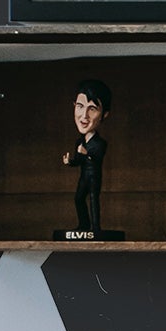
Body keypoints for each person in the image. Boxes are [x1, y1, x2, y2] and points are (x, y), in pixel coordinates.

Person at [61, 80, 111, 240]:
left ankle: (96, 228)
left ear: (104, 114)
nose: (84, 115)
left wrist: (85, 154)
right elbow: (79, 160)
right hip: (84, 176)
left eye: (92, 109)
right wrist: (71, 162)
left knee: (93, 200)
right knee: (78, 198)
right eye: (80, 106)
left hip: (94, 176)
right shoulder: (80, 141)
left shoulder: (99, 143)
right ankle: (84, 225)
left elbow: (95, 157)